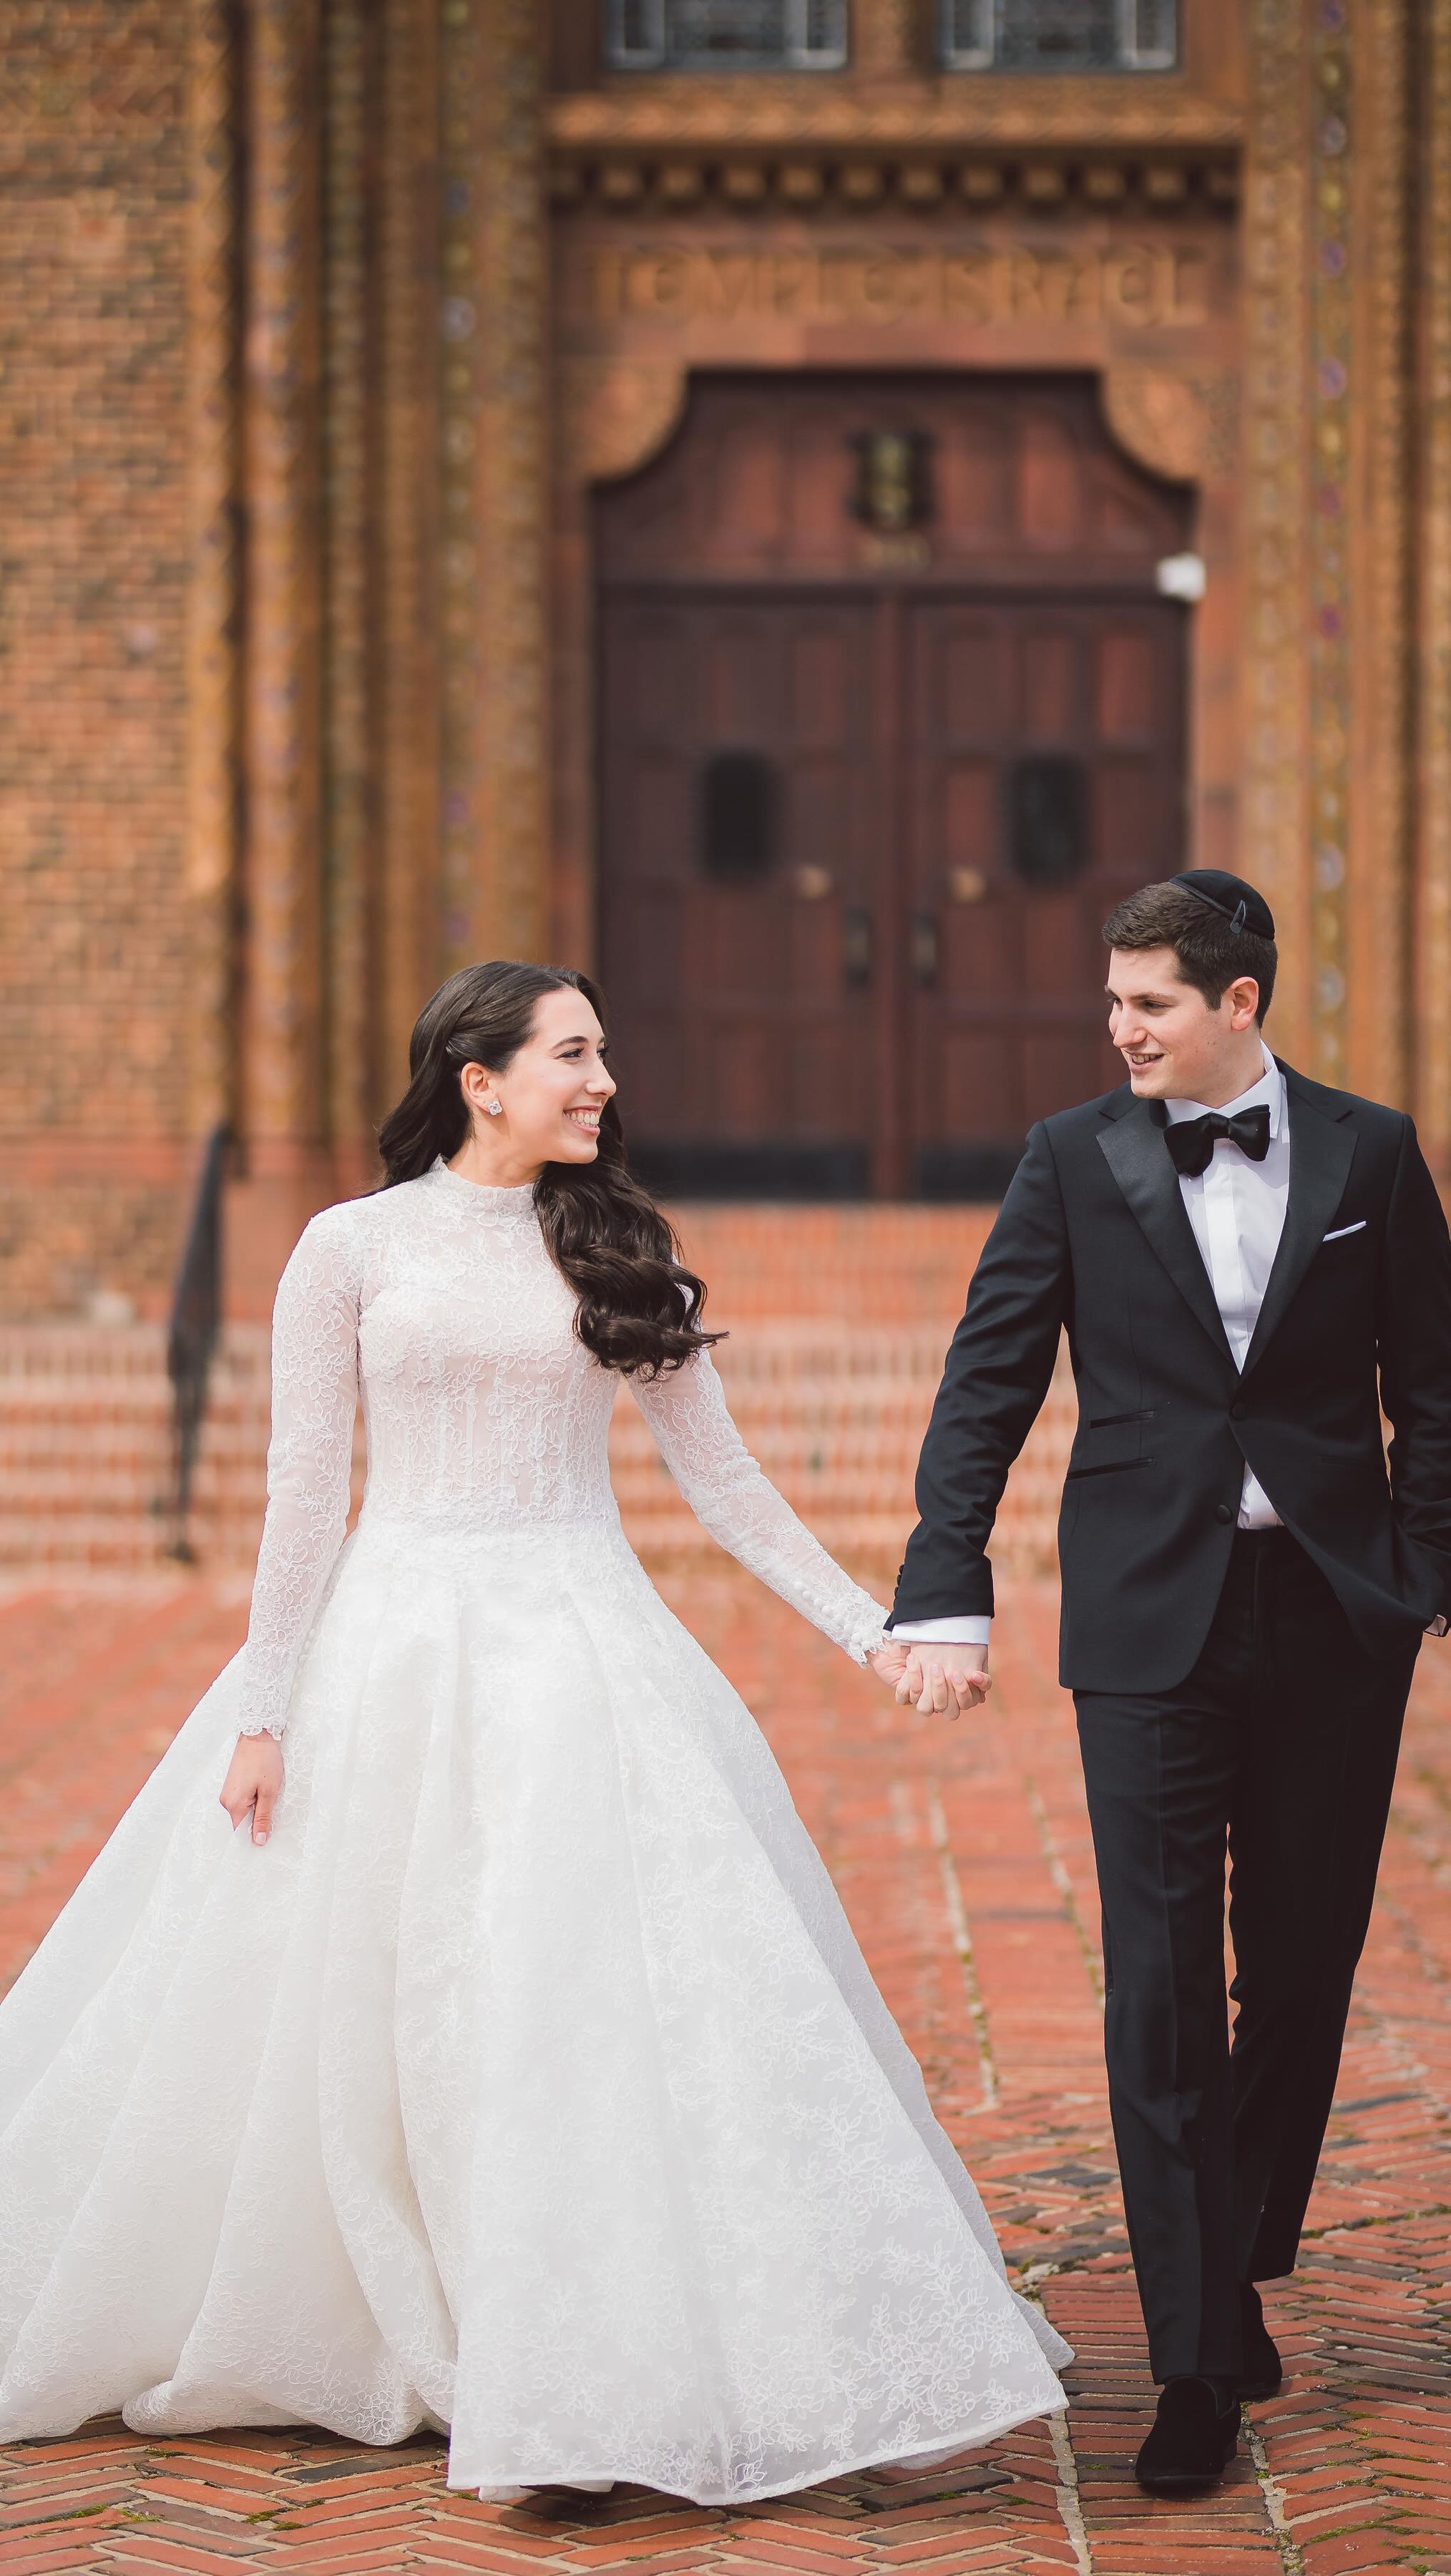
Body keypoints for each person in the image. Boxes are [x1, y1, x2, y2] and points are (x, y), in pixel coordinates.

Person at [0, 960, 1068, 2506]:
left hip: (582, 1655)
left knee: (571, 1999)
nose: (604, 1080)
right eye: (574, 1053)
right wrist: (264, 1710)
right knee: (378, 1995)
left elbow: (726, 1486)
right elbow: (305, 1494)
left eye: (604, 1052)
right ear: (478, 1077)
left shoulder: (618, 1245)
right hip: (391, 1650)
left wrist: (876, 1635)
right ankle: (401, 2312)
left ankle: (576, 2364)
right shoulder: (349, 1246)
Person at [882, 872, 1451, 2492]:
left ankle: (1231, 2247)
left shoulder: (1374, 1152)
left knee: (1306, 1968)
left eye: (1151, 1003)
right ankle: (1195, 2359)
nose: (1120, 1028)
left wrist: (1422, 1576)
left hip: (1333, 1615)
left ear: (1238, 1002)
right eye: (1115, 1000)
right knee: (1159, 1986)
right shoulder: (1071, 1158)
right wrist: (946, 1580)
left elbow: (1434, 1381)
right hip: (1148, 1624)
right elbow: (989, 1378)